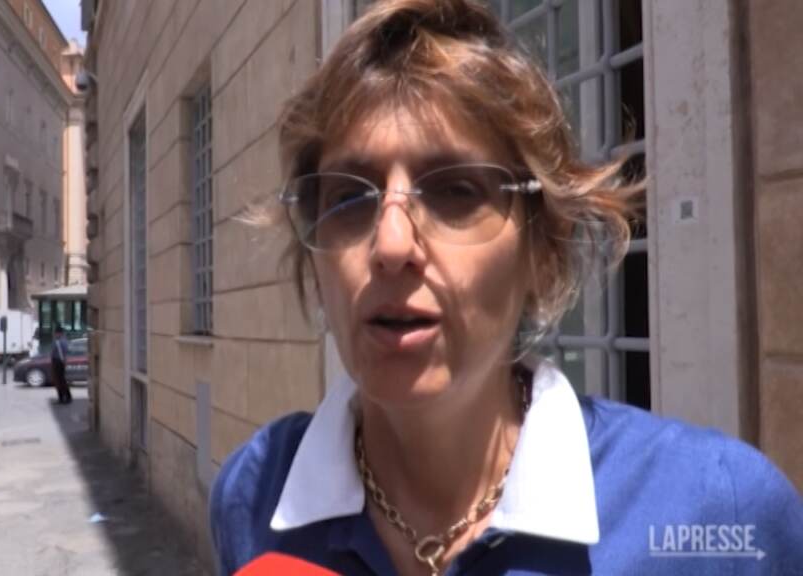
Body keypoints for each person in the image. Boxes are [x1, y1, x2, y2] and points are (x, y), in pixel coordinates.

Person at [209, 1, 803, 575]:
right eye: (349, 197)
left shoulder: (720, 512)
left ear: (541, 252)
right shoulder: (254, 495)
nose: (391, 244)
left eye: (455, 191)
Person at [51, 326, 72, 404]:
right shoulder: (56, 341)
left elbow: (65, 352)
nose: (54, 334)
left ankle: (66, 397)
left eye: (55, 333)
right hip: (56, 361)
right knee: (58, 381)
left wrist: (64, 361)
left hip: (59, 362)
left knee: (61, 380)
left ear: (59, 333)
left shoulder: (62, 341)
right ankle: (61, 397)